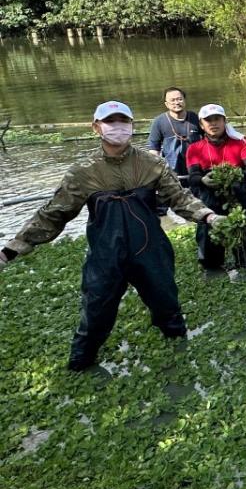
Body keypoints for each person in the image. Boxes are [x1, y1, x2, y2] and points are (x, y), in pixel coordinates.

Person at [0, 100, 223, 371]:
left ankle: (179, 349)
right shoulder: (83, 172)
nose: (117, 127)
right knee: (95, 311)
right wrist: (11, 249)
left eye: (123, 121)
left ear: (131, 126)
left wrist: (209, 216)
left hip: (150, 250)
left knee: (167, 304)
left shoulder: (152, 164)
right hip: (105, 255)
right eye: (110, 122)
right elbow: (52, 215)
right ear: (96, 127)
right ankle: (80, 364)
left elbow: (180, 198)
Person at [186, 104, 246, 273]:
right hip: (209, 193)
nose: (213, 123)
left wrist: (232, 176)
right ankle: (212, 266)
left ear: (224, 121)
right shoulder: (194, 148)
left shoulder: (241, 142)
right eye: (208, 120)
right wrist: (203, 180)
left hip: (238, 192)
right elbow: (193, 176)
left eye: (217, 119)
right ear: (201, 124)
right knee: (208, 229)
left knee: (242, 226)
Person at [147, 87, 202, 216]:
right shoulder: (159, 122)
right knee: (161, 208)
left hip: (194, 167)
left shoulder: (195, 118)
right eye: (172, 100)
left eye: (179, 99)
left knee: (198, 203)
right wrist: (155, 171)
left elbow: (208, 140)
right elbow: (153, 148)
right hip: (172, 168)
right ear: (166, 104)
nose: (176, 103)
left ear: (184, 100)